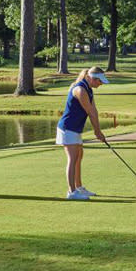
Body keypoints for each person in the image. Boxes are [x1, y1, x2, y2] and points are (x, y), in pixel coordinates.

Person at [56, 66, 109, 200]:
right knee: (73, 159)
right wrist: (97, 131)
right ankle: (72, 192)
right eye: (99, 81)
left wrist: (98, 130)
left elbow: (94, 111)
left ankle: (79, 187)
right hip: (68, 128)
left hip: (75, 128)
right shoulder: (80, 90)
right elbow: (90, 112)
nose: (101, 84)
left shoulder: (88, 89)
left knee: (79, 157)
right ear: (91, 78)